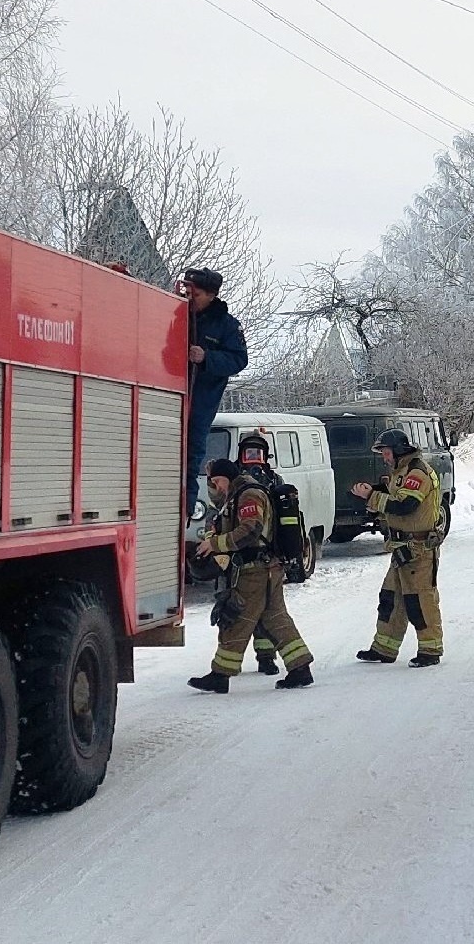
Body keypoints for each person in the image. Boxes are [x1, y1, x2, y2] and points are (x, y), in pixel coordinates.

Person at [187, 459, 314, 694]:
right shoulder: (238, 493)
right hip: (266, 569)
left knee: (235, 618)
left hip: (256, 571)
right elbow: (225, 513)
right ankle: (300, 668)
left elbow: (250, 530)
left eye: (217, 481)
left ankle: (220, 674)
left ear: (228, 476)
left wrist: (215, 544)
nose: (217, 487)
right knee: (276, 618)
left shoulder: (248, 495)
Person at [350, 428, 445, 668]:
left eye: (386, 452)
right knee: (391, 598)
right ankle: (384, 648)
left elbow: (405, 505)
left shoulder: (417, 472)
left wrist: (372, 496)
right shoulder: (400, 471)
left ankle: (430, 649)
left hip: (419, 548)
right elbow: (393, 495)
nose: (384, 457)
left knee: (420, 599)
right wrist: (374, 494)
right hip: (402, 547)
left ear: (398, 450)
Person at [178, 268, 248, 516]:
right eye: (185, 292)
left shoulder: (226, 326)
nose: (188, 298)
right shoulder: (174, 313)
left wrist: (207, 358)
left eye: (193, 294)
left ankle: (183, 514)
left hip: (200, 403)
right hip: (168, 397)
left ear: (211, 295)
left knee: (188, 457)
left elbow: (239, 360)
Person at [237, 432, 285, 676]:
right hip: (241, 556)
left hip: (263, 555)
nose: (253, 460)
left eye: (257, 454)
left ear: (266, 457)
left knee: (262, 610)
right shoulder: (235, 482)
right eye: (249, 454)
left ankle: (265, 657)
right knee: (245, 608)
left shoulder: (272, 481)